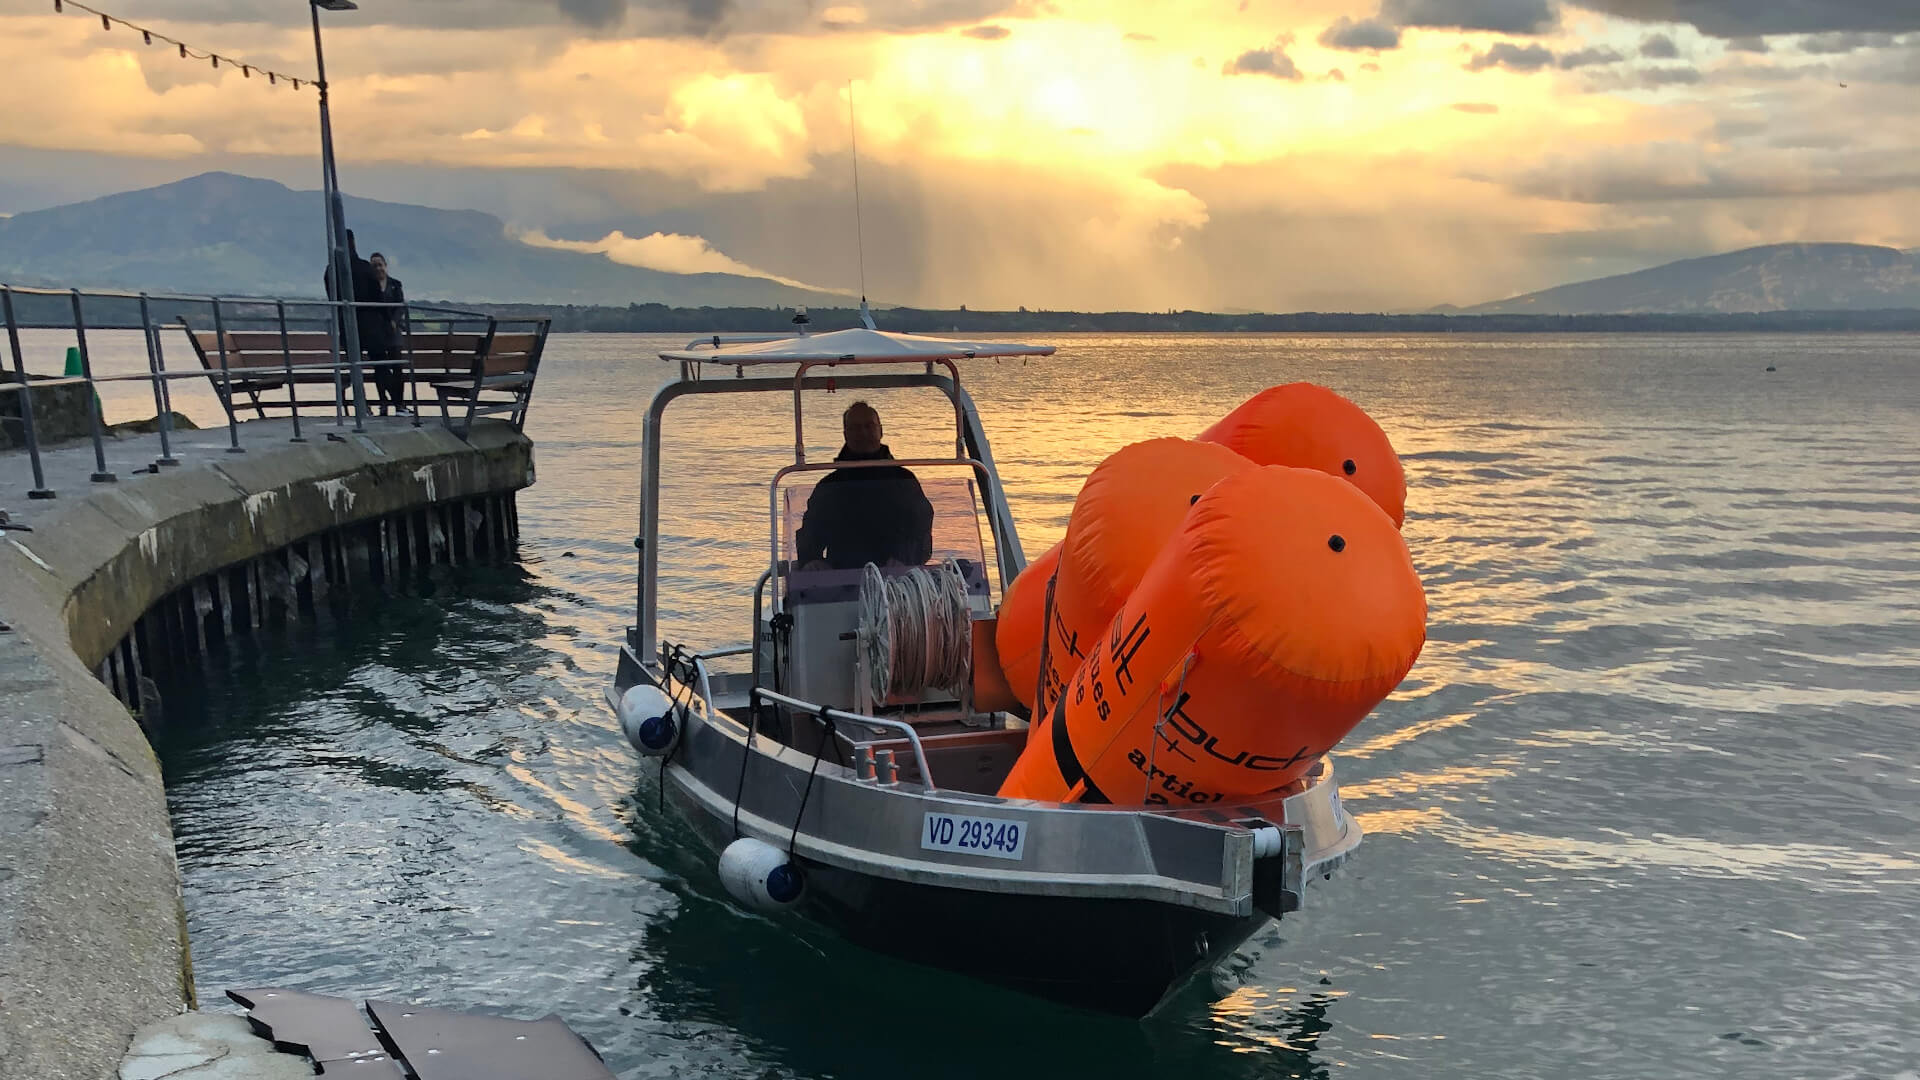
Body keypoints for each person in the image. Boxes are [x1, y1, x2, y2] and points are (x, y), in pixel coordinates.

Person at [794, 401, 934, 570]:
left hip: (896, 577)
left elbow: (920, 530)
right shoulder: (829, 487)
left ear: (880, 431)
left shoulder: (905, 481)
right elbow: (811, 532)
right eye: (855, 428)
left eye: (869, 426)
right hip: (841, 579)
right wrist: (810, 561)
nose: (863, 433)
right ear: (845, 434)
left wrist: (905, 559)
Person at [322, 230, 386, 411]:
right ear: (353, 243)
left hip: (347, 324)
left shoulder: (331, 270)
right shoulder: (365, 268)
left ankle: (362, 404)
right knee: (381, 364)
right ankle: (385, 403)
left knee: (354, 366)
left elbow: (331, 296)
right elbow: (378, 297)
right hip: (370, 325)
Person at [367, 252, 407, 415]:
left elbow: (400, 306)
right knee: (380, 369)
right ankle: (383, 402)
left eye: (380, 265)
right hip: (376, 333)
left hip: (393, 332)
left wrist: (394, 322)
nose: (378, 268)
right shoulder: (368, 286)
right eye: (374, 266)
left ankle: (399, 404)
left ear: (385, 266)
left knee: (397, 368)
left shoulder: (395, 284)